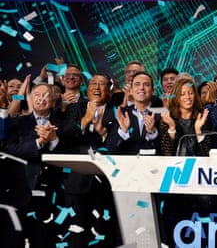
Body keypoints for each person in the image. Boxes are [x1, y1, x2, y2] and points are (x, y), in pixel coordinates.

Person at [59, 73, 122, 247]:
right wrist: (85, 120)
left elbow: (122, 143)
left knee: (102, 234)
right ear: (87, 88)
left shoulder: (117, 111)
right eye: (93, 84)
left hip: (105, 183)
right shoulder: (76, 108)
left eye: (102, 84)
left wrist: (103, 134)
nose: (96, 87)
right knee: (75, 234)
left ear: (109, 90)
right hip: (76, 183)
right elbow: (65, 135)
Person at [4, 83, 66, 248]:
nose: (41, 98)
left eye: (46, 95)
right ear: (30, 98)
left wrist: (53, 141)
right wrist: (38, 142)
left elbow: (68, 155)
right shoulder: (18, 123)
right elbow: (10, 150)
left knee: (45, 241)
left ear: (53, 101)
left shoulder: (64, 124)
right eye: (37, 94)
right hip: (21, 192)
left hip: (52, 194)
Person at [107, 72, 161, 155]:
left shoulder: (161, 114)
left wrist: (152, 132)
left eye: (146, 85)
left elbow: (166, 151)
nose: (141, 88)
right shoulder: (122, 114)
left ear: (153, 90)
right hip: (126, 166)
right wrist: (123, 131)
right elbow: (111, 149)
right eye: (137, 84)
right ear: (131, 91)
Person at [159, 77, 211, 156]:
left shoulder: (202, 119)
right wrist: (172, 127)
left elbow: (207, 154)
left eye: (190, 93)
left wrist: (198, 131)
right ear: (176, 97)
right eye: (182, 94)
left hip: (197, 165)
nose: (187, 97)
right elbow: (167, 153)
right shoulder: (168, 119)